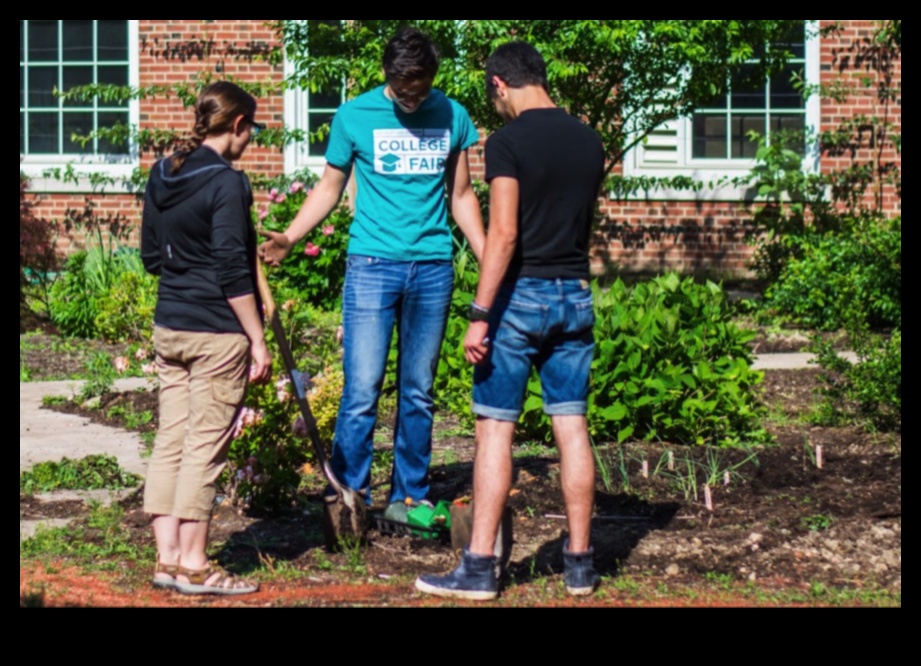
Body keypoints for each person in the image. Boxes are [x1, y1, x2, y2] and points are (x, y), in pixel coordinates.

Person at [260, 28, 485, 518]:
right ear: (388, 77)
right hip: (372, 266)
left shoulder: (453, 115)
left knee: (418, 391)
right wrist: (291, 237)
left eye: (421, 90)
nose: (412, 99)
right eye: (404, 90)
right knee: (362, 387)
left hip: (431, 267)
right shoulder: (354, 115)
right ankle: (349, 495)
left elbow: (462, 195)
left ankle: (409, 496)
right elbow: (329, 187)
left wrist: (489, 258)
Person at [416, 42, 606, 601]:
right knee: (571, 425)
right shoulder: (588, 138)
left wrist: (479, 314)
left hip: (522, 297)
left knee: (495, 428)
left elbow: (502, 235)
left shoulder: (508, 142)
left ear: (499, 84)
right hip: (576, 291)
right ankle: (579, 566)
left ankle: (478, 568)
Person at [141, 81, 272, 596]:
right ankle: (196, 565)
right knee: (204, 448)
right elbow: (231, 269)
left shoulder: (162, 171)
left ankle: (167, 559)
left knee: (170, 440)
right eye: (253, 129)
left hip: (169, 326)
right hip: (215, 332)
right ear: (238, 124)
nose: (252, 139)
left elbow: (152, 255)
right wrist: (256, 339)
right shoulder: (228, 183)